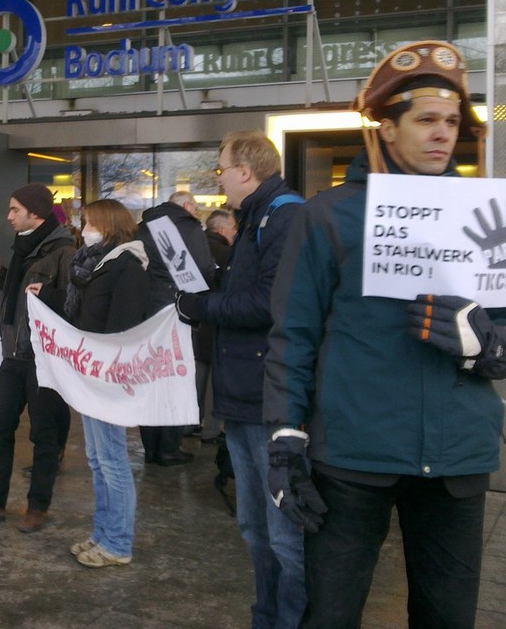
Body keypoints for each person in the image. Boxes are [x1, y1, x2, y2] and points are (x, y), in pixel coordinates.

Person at [264, 40, 504, 629]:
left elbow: (501, 334)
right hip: (353, 455)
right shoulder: (329, 216)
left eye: (451, 121)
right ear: (388, 129)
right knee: (332, 616)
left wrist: (487, 344)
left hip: (456, 457)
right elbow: (293, 335)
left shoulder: (486, 216)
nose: (442, 133)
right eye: (425, 120)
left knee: (448, 619)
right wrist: (286, 438)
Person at [175, 131, 306, 629]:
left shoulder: (284, 216)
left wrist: (201, 304)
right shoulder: (256, 219)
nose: (220, 178)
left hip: (269, 400)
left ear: (247, 171)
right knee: (255, 529)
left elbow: (272, 304)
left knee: (283, 536)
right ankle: (265, 616)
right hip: (243, 397)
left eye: (222, 168)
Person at [0, 183, 76, 533]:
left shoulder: (62, 250)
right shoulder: (25, 247)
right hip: (14, 354)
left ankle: (38, 506)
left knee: (44, 433)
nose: (8, 217)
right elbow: (22, 297)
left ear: (35, 213)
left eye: (14, 210)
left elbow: (72, 302)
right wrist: (1, 274)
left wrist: (49, 295)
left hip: (43, 358)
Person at [53, 199, 149, 567]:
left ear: (108, 224)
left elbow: (122, 324)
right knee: (97, 458)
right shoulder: (99, 262)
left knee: (112, 460)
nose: (84, 228)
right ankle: (103, 533)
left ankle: (119, 543)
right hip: (91, 371)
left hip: (106, 374)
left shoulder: (127, 264)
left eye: (89, 222)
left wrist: (100, 364)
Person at [136, 190, 216, 465]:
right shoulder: (189, 227)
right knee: (173, 377)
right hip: (177, 310)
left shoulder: (143, 225)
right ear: (185, 205)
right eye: (194, 206)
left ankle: (150, 448)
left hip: (147, 310)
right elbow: (205, 268)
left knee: (151, 378)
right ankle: (169, 448)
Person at [196, 208, 236, 445]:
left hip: (197, 317)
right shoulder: (226, 254)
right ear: (221, 230)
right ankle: (210, 428)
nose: (235, 232)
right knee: (214, 378)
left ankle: (189, 422)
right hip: (218, 319)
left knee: (198, 373)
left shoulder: (195, 249)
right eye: (233, 228)